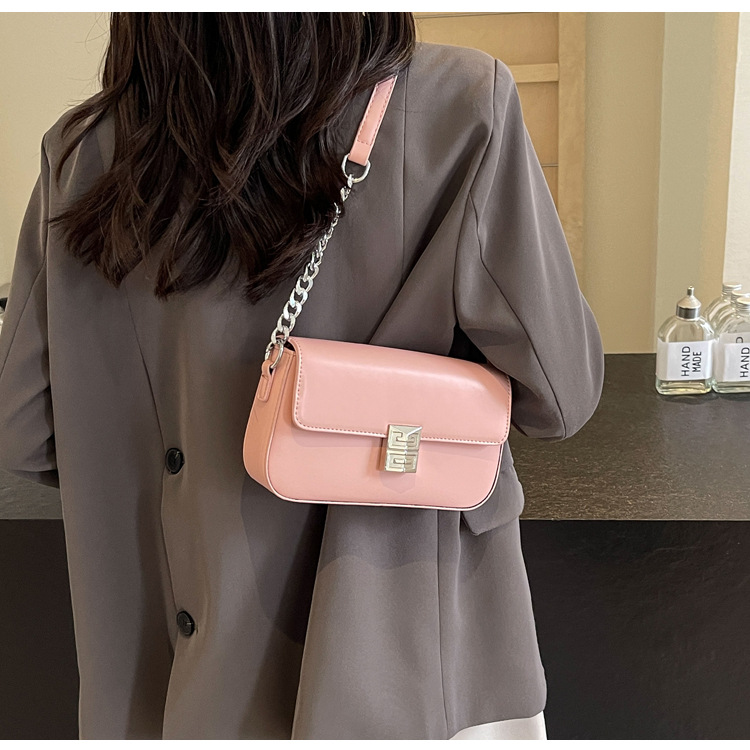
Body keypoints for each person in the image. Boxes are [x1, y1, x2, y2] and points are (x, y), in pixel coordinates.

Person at [0, 12, 604, 740]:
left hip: (168, 681)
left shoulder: (82, 155)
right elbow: (561, 395)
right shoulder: (463, 102)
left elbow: (22, 431)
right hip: (410, 671)